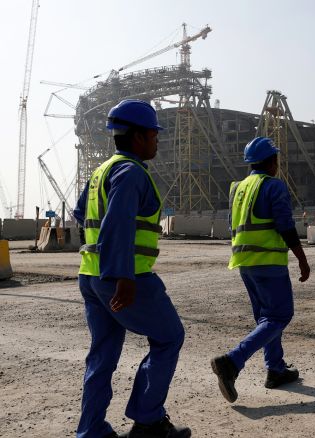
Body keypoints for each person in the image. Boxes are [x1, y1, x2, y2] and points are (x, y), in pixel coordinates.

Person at [74, 99, 190, 438]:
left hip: (90, 275)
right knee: (169, 337)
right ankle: (148, 421)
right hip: (127, 277)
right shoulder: (131, 172)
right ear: (139, 136)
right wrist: (123, 275)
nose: (157, 141)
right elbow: (119, 221)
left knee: (102, 355)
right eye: (154, 134)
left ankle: (91, 431)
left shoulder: (102, 170)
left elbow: (82, 214)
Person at [211, 137, 311, 403]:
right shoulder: (272, 185)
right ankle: (232, 361)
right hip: (269, 262)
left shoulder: (238, 188)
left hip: (244, 262)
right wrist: (302, 258)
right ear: (272, 161)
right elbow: (285, 226)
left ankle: (275, 369)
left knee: (266, 319)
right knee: (279, 316)